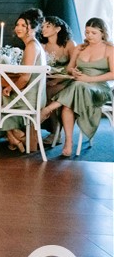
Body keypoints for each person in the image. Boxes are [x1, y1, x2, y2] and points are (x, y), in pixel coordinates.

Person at [39, 18, 114, 157]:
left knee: (78, 85)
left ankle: (48, 109)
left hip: (98, 88)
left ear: (102, 33)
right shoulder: (80, 48)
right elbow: (69, 68)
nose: (89, 36)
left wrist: (89, 79)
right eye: (87, 32)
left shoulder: (110, 49)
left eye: (93, 33)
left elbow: (113, 74)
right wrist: (73, 71)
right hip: (78, 87)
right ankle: (68, 142)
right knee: (68, 106)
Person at [0, 9, 46, 152]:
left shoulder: (31, 46)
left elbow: (25, 77)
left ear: (33, 28)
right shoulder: (34, 45)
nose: (18, 28)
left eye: (23, 25)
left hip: (28, 97)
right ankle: (14, 135)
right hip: (32, 95)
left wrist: (10, 88)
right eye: (17, 25)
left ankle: (14, 136)